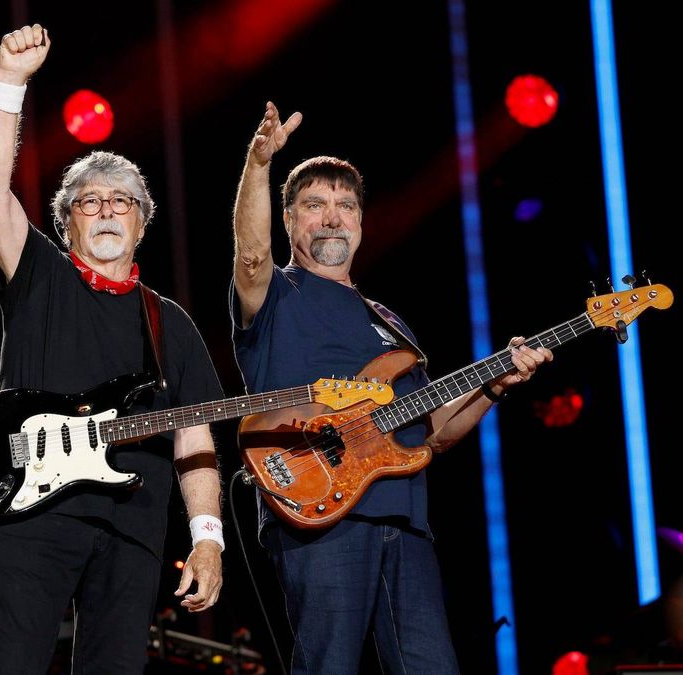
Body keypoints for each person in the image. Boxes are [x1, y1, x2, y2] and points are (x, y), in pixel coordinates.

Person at [229, 101, 554, 674]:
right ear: (288, 221)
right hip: (318, 506)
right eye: (314, 206)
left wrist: (495, 385)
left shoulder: (392, 325)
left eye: (345, 206)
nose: (332, 218)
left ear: (360, 222)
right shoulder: (278, 295)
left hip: (405, 522)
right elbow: (250, 258)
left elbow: (435, 433)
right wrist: (259, 165)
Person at [0, 23, 225, 674]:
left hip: (135, 527)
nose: (107, 209)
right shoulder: (39, 276)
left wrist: (207, 540)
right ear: (66, 220)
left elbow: (195, 440)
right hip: (34, 510)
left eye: (122, 201)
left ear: (142, 221)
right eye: (90, 200)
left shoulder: (173, 324)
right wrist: (10, 82)